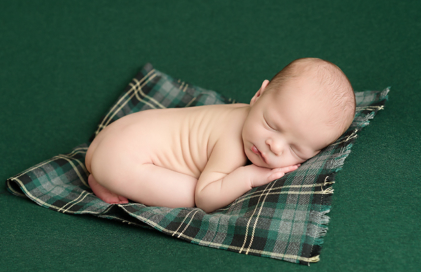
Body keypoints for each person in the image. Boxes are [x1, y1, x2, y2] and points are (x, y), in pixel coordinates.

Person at [85, 58, 356, 213]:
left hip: (114, 136)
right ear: (258, 95)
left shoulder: (248, 115)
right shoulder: (232, 142)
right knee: (190, 196)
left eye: (295, 149)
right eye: (271, 125)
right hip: (120, 156)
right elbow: (206, 197)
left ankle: (102, 175)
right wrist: (249, 177)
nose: (273, 145)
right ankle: (109, 179)